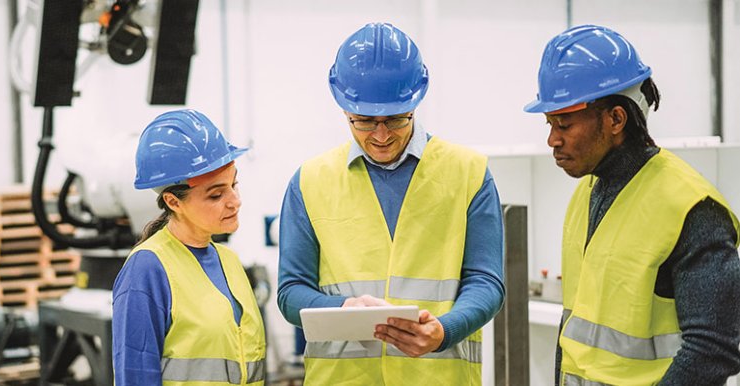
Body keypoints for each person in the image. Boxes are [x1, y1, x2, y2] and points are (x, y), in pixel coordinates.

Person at [276, 22, 505, 385]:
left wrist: (444, 330)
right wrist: (344, 309)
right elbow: (291, 293)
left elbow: (486, 281)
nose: (381, 136)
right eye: (364, 121)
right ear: (343, 108)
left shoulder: (469, 172)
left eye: (396, 119)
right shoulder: (309, 180)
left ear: (416, 103)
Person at [525, 24, 740, 385]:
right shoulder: (588, 192)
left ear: (615, 119)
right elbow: (574, 330)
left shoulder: (689, 207)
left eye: (564, 123)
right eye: (549, 123)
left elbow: (714, 347)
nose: (552, 140)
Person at [111, 109, 266, 385]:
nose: (234, 201)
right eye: (216, 194)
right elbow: (135, 374)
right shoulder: (147, 269)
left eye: (234, 184)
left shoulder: (229, 261)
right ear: (173, 202)